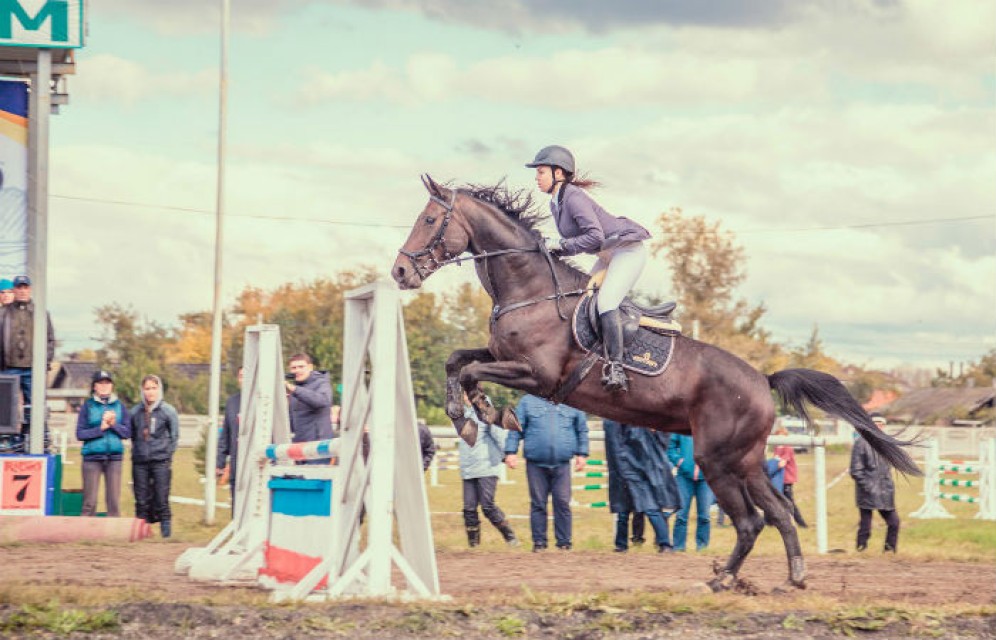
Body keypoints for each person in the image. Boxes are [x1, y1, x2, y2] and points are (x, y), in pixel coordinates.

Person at [526, 146, 653, 394]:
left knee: (605, 303)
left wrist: (560, 245)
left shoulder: (572, 196)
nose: (536, 177)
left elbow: (593, 237)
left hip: (627, 252)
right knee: (584, 298)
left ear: (558, 173)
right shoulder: (557, 202)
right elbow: (582, 241)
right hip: (608, 255)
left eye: (541, 172)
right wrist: (553, 248)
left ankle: (616, 367)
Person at [505, 394, 589, 552]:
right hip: (535, 463)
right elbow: (515, 428)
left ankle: (564, 543)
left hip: (562, 464)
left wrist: (582, 454)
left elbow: (582, 429)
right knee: (538, 503)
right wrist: (511, 451)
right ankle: (539, 543)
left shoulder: (573, 400)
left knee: (563, 503)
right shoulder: (527, 401)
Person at [603, 419, 680, 553]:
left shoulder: (639, 414)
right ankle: (621, 545)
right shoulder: (615, 418)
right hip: (627, 467)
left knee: (650, 507)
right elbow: (615, 444)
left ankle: (665, 543)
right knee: (623, 509)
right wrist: (623, 469)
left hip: (640, 467)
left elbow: (660, 439)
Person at [458, 402, 518, 547]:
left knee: (487, 506)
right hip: (468, 468)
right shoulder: (462, 413)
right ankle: (474, 545)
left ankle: (510, 537)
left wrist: (508, 454)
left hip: (486, 466)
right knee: (469, 508)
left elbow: (499, 434)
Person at [129, 374, 180, 537]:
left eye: (153, 388)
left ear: (159, 389)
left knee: (162, 498)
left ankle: (166, 534)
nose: (150, 392)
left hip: (161, 462)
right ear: (142, 390)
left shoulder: (168, 411)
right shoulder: (135, 411)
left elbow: (174, 436)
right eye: (147, 388)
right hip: (139, 462)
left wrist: (166, 454)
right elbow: (132, 434)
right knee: (141, 499)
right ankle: (141, 533)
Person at [76, 370, 131, 517]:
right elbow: (80, 434)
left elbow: (127, 433)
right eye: (101, 383)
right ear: (95, 386)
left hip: (114, 459)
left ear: (112, 386)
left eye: (108, 383)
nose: (104, 386)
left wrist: (113, 425)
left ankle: (113, 534)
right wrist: (100, 429)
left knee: (113, 501)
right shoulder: (87, 406)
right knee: (90, 501)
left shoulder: (120, 406)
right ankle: (86, 533)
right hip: (92, 458)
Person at [0, 275, 55, 403]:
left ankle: (32, 424)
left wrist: (44, 364)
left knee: (35, 407)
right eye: (19, 287)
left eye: (25, 287)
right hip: (8, 368)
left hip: (33, 369)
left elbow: (50, 340)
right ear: (14, 290)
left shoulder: (40, 313)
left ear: (30, 289)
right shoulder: (3, 313)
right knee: (6, 408)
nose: (22, 291)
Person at [850, 413, 900, 553]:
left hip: (885, 491)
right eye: (875, 423)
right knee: (866, 525)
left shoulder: (887, 443)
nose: (878, 426)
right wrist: (869, 487)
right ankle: (861, 548)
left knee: (894, 523)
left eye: (881, 424)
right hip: (868, 491)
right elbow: (856, 470)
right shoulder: (860, 444)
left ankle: (889, 550)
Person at [667, 433, 714, 552]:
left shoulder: (712, 423)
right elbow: (670, 445)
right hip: (684, 477)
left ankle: (702, 547)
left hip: (706, 479)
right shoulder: (683, 424)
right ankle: (678, 547)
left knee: (704, 516)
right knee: (681, 515)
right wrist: (679, 462)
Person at [285, 353, 333, 463]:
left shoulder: (321, 383)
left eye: (301, 367)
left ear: (310, 367)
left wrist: (294, 389)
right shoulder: (295, 389)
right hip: (299, 447)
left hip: (318, 446)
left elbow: (322, 401)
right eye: (294, 368)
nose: (297, 370)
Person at [217, 367, 242, 511]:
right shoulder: (232, 402)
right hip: (236, 461)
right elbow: (225, 433)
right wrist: (220, 461)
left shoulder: (263, 401)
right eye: (240, 376)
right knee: (236, 503)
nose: (243, 379)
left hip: (256, 462)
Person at [772, 427, 808, 527]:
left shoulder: (787, 448)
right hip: (779, 479)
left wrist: (770, 465)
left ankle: (801, 523)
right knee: (775, 499)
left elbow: (782, 463)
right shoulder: (777, 448)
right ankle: (772, 521)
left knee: (789, 501)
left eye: (781, 437)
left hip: (786, 479)